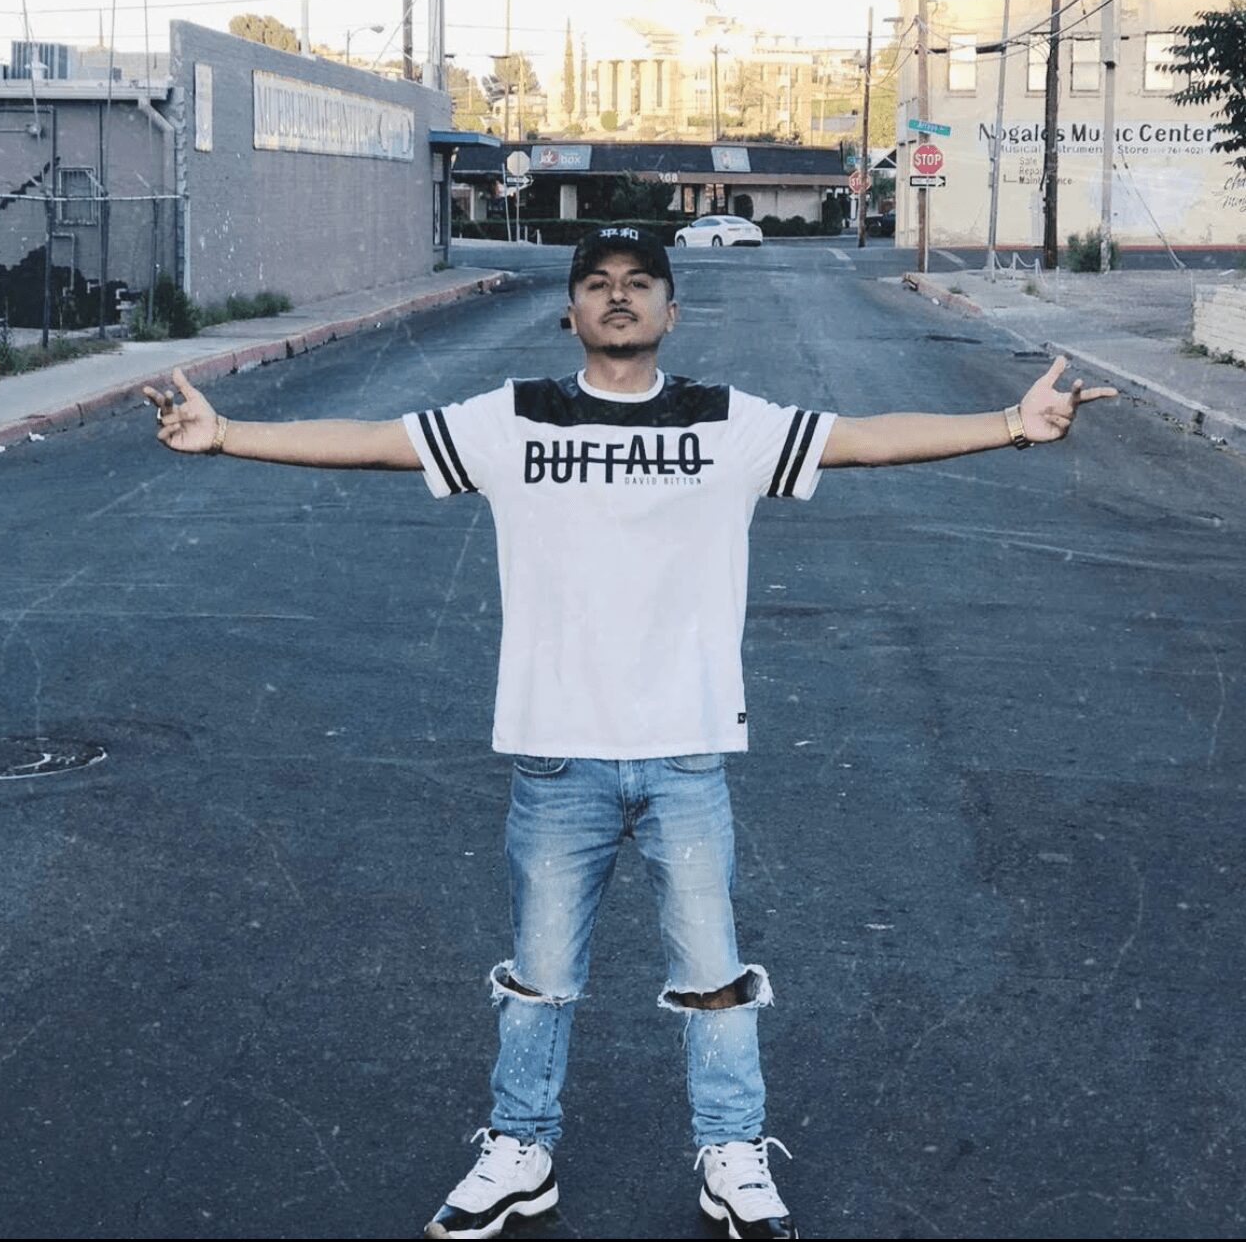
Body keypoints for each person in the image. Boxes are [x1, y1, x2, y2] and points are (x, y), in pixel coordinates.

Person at [143, 226, 1117, 1240]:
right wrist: (229, 433)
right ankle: (521, 1154)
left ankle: (731, 1157)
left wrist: (1011, 419)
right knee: (539, 979)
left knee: (714, 977)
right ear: (568, 310)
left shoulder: (726, 422)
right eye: (597, 285)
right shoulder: (514, 419)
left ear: (669, 310)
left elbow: (864, 435)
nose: (618, 298)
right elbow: (374, 438)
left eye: (638, 284)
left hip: (686, 748)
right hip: (556, 751)